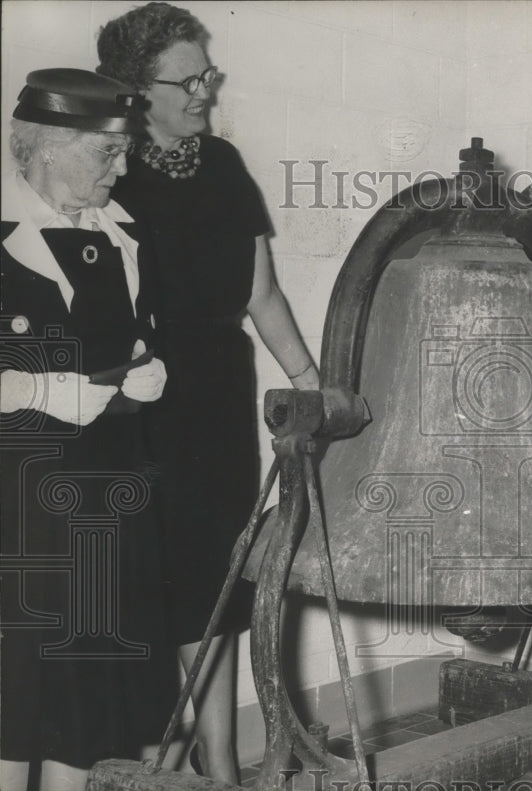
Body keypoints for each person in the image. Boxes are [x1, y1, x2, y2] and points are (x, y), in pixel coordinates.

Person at [96, 2, 320, 782]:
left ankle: (224, 764)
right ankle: (157, 760)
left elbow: (262, 295)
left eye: (207, 75)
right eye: (186, 80)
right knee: (156, 585)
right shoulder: (111, 170)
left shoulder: (222, 164)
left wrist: (309, 382)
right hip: (141, 399)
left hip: (222, 394)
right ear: (136, 89)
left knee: (221, 585)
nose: (204, 92)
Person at [0, 68, 173, 791]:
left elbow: (133, 340)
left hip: (107, 497)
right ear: (46, 149)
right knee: (16, 685)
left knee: (91, 684)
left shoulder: (125, 239)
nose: (123, 167)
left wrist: (150, 371)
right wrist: (39, 389)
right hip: (19, 508)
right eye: (108, 153)